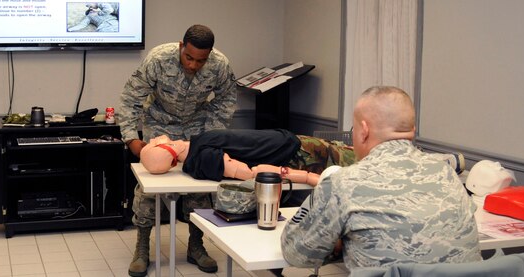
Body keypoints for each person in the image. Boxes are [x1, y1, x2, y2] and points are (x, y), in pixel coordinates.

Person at [280, 86, 481, 270]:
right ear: (412, 131)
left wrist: (340, 239)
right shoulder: (446, 174)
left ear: (364, 131)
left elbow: (296, 253)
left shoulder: (344, 182)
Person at [117, 24, 237, 276]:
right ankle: (141, 248)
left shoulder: (220, 64)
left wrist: (209, 136)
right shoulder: (158, 59)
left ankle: (196, 245)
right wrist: (132, 140)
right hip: (159, 123)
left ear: (210, 54)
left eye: (200, 60)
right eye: (189, 57)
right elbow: (131, 98)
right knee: (150, 187)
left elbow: (227, 99)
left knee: (199, 184)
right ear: (182, 46)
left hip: (197, 126)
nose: (193, 65)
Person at [139, 129, 357, 186]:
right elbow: (252, 173)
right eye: (155, 144)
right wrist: (308, 177)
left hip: (296, 143)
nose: (155, 138)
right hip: (301, 155)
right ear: (166, 149)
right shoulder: (202, 158)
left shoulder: (197, 145)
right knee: (364, 161)